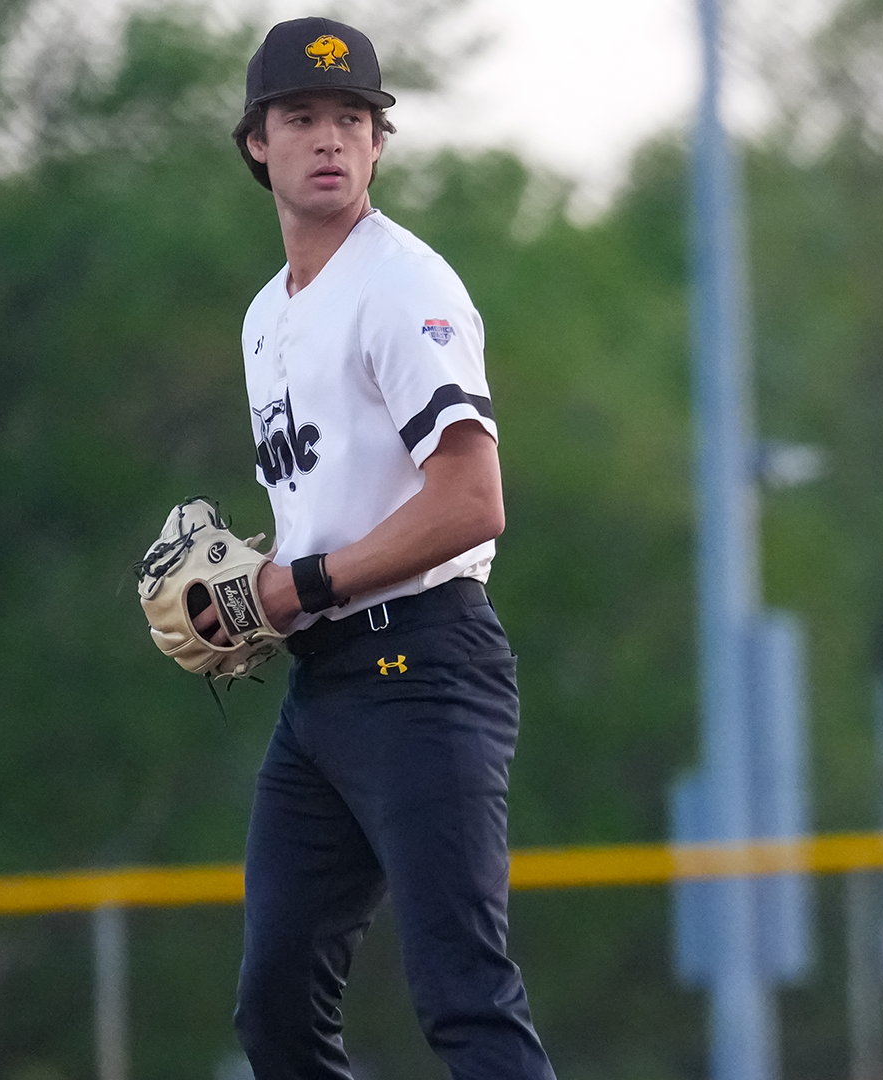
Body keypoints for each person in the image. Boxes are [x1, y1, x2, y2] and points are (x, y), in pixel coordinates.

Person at [191, 16, 558, 1080]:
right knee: (275, 1009)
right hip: (327, 689)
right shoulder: (269, 316)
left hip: (426, 669)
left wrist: (294, 584)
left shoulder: (405, 286)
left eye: (352, 118)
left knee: (464, 997)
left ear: (380, 144)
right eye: (299, 116)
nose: (328, 139)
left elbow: (472, 502)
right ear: (257, 141)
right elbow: (328, 513)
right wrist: (252, 596)